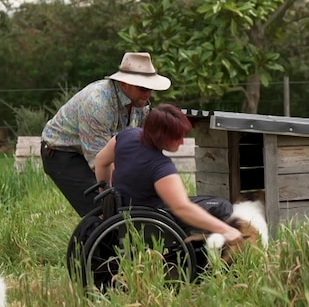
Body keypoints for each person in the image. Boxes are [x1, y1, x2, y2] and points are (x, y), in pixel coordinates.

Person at [41, 52, 171, 216]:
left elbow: (136, 147)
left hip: (95, 152)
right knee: (104, 211)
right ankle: (99, 238)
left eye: (151, 88)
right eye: (143, 88)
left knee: (126, 201)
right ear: (124, 84)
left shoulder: (141, 104)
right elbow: (100, 161)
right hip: (63, 153)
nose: (148, 94)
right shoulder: (97, 104)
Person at [94, 104, 243, 244]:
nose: (182, 142)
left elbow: (100, 161)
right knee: (222, 206)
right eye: (178, 137)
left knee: (206, 201)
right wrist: (227, 229)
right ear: (162, 136)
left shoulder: (126, 136)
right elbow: (181, 208)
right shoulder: (160, 167)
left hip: (124, 209)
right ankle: (204, 251)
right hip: (153, 217)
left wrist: (107, 196)